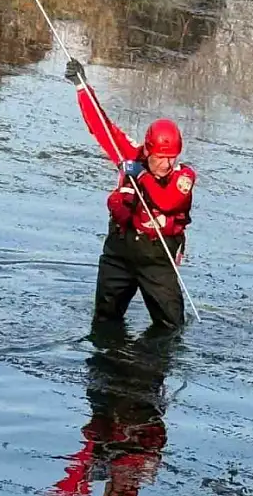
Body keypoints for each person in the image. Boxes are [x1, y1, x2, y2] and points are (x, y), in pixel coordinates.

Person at [65, 59, 195, 331]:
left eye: (172, 158)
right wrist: (81, 86)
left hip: (158, 259)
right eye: (161, 157)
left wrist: (141, 174)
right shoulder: (131, 156)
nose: (167, 164)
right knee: (105, 322)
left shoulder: (184, 177)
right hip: (120, 252)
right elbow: (102, 128)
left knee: (171, 328)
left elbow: (167, 201)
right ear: (148, 151)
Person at [52, 321, 177, 496]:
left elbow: (91, 436)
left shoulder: (98, 464)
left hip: (110, 398)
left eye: (122, 490)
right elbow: (156, 433)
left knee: (109, 344)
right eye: (129, 490)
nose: (127, 486)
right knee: (154, 340)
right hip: (137, 398)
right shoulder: (148, 467)